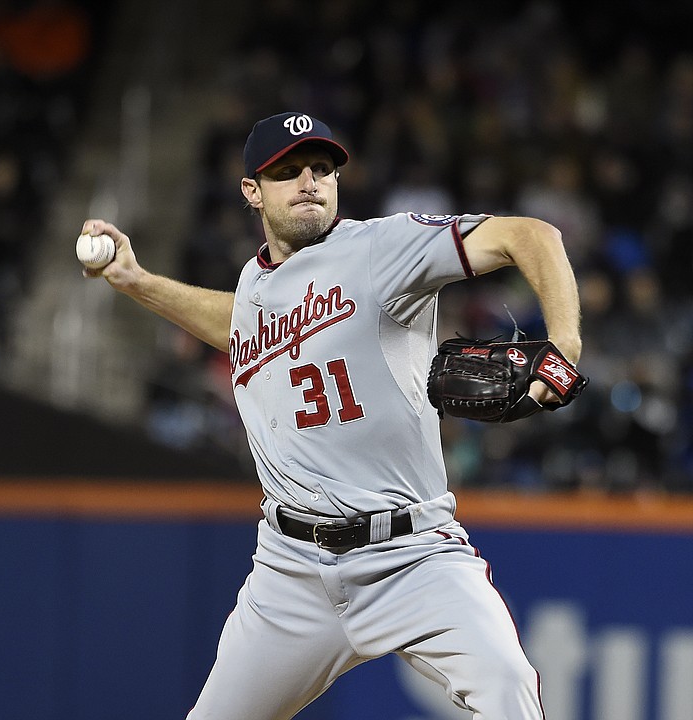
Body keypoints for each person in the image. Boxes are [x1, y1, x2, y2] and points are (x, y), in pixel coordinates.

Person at [79, 111, 582, 719]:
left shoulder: (381, 247)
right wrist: (135, 281)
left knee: (507, 689)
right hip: (290, 573)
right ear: (251, 192)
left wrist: (565, 346)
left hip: (411, 554)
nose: (310, 181)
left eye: (321, 169)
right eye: (287, 172)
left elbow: (531, 235)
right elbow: (240, 325)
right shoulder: (256, 284)